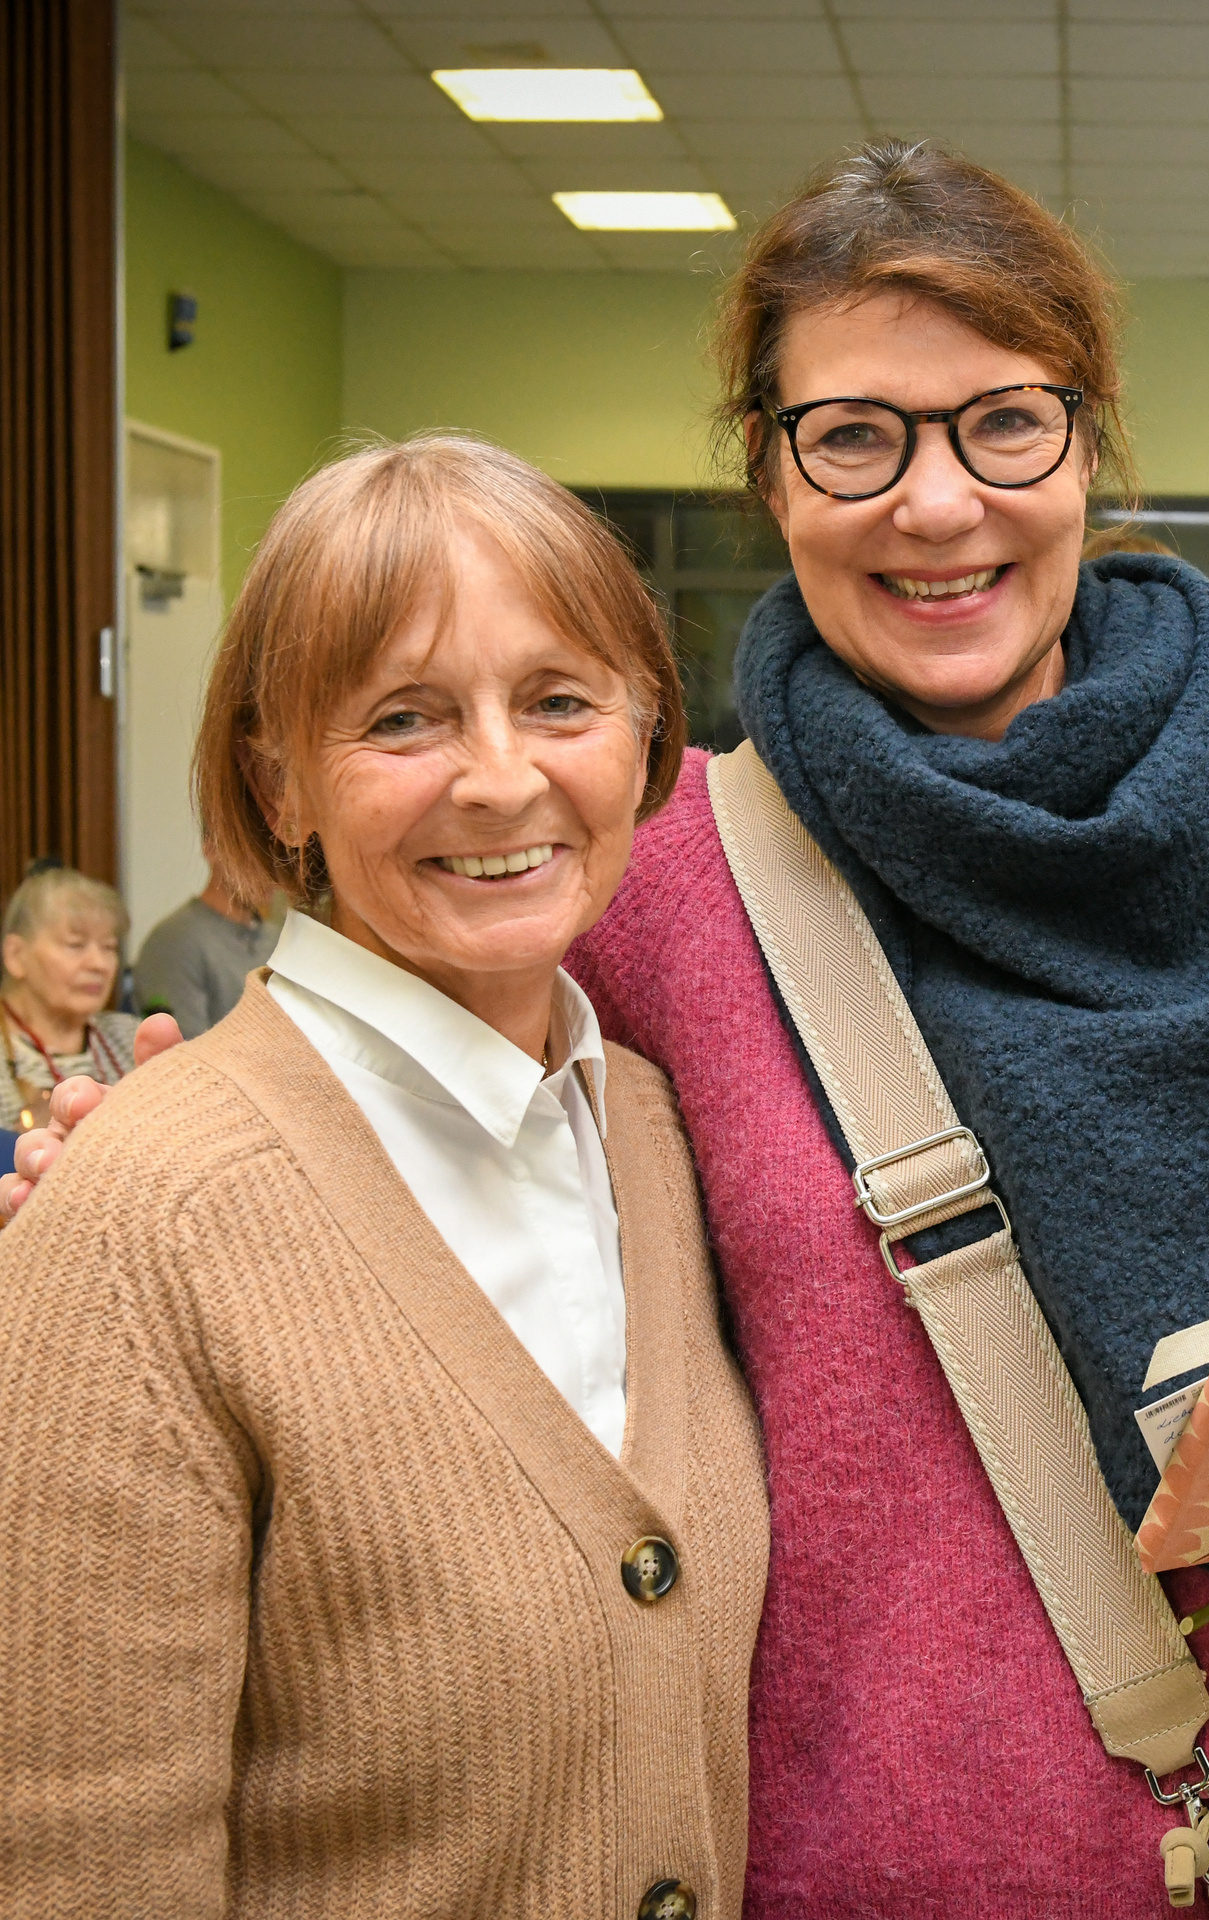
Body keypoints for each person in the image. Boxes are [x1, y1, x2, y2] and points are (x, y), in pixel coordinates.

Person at [7, 143, 1209, 1916]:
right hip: (849, 1872)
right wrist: (120, 1183)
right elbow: (414, 1134)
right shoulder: (663, 880)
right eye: (854, 436)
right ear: (769, 471)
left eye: (1004, 423)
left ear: (1088, 444)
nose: (936, 503)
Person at [0, 437, 768, 1917]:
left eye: (559, 701)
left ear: (646, 738)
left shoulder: (662, 1137)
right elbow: (77, 1867)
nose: (501, 777)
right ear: (277, 780)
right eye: (404, 720)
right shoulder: (144, 1218)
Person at [1, 866, 141, 1134]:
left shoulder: (131, 1036)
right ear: (15, 955)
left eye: (109, 947)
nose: (99, 964)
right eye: (76, 945)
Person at [132, 842, 280, 1035]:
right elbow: (185, 1046)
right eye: (257, 849)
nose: (272, 866)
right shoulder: (174, 942)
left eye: (281, 853)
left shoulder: (279, 938)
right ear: (212, 848)